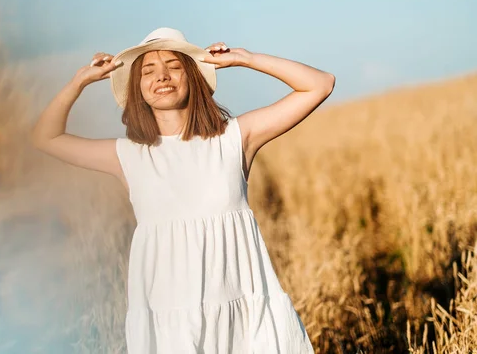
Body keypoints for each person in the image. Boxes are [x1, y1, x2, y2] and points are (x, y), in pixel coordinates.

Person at [31, 27, 335, 353]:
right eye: (148, 70)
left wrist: (246, 59)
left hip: (242, 314)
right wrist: (78, 83)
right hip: (170, 321)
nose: (162, 76)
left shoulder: (235, 138)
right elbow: (45, 138)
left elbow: (320, 85)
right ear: (138, 89)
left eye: (174, 66)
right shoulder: (127, 155)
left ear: (193, 77)